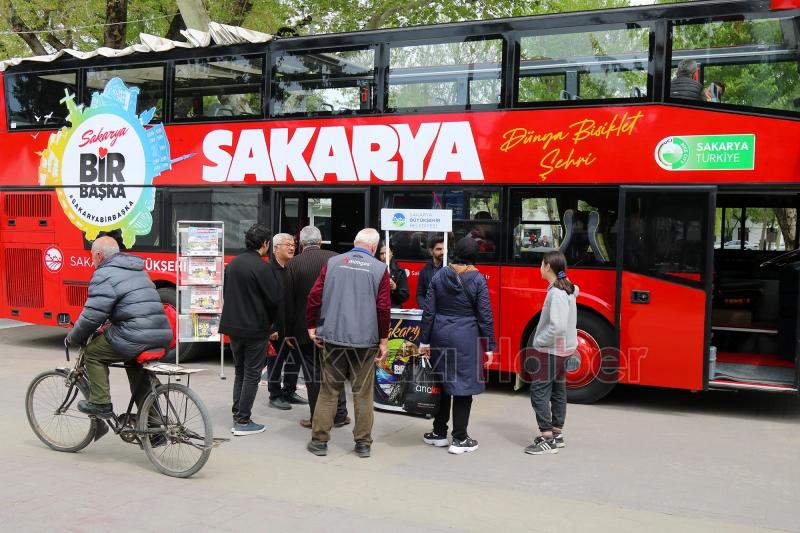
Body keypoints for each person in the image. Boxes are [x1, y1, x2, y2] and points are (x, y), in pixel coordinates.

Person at [65, 236, 172, 424]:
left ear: (99, 255)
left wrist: (73, 338)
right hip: (161, 334)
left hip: (134, 335)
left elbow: (92, 315)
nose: (92, 261)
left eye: (92, 256)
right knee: (135, 367)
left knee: (93, 353)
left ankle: (100, 404)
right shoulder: (138, 270)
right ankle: (154, 424)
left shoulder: (103, 274)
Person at [306, 228, 391, 458]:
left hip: (333, 337)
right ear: (373, 248)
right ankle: (363, 444)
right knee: (363, 393)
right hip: (365, 341)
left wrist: (311, 326)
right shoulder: (379, 268)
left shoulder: (333, 262)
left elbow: (314, 296)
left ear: (355, 242)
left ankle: (319, 441)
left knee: (329, 390)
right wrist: (384, 340)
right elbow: (383, 307)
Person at [419, 237, 495, 455]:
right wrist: (489, 346)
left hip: (440, 334)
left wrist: (424, 341)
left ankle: (439, 433)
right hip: (466, 336)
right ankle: (460, 438)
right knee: (463, 386)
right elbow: (485, 316)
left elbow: (429, 311)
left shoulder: (440, 274)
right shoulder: (478, 278)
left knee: (442, 382)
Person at [285, 226, 350, 429]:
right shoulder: (338, 259)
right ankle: (340, 415)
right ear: (321, 241)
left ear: (301, 244)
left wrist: (288, 332)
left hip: (305, 329)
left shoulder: (293, 264)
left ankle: (316, 417)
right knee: (336, 370)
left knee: (313, 375)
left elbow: (287, 301)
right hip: (335, 327)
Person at [219, 223, 279, 437]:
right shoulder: (263, 267)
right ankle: (243, 421)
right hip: (255, 328)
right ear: (265, 244)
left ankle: (238, 413)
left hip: (233, 327)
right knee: (252, 373)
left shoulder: (233, 264)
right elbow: (274, 300)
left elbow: (227, 293)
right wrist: (273, 325)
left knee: (241, 371)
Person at [525, 250, 579, 455]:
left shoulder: (556, 293)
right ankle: (557, 433)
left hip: (552, 350)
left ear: (547, 266)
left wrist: (539, 340)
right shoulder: (567, 288)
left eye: (541, 264)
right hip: (564, 349)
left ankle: (547, 438)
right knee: (558, 390)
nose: (539, 268)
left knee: (538, 391)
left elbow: (556, 327)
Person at [264, 233, 306, 411]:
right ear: (275, 248)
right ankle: (275, 394)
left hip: (293, 325)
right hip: (276, 326)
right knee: (276, 360)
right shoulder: (268, 271)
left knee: (294, 360)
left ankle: (289, 390)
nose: (291, 248)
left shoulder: (293, 268)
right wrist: (270, 327)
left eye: (293, 245)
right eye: (287, 245)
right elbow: (264, 302)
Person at [376, 241, 409, 307]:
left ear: (392, 252)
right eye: (381, 253)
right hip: (377, 309)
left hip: (393, 310)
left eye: (387, 253)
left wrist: (395, 288)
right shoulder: (373, 270)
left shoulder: (400, 272)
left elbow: (404, 297)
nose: (384, 256)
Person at [416, 235, 445, 308]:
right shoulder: (425, 270)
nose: (442, 252)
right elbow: (420, 294)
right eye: (439, 249)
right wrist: (425, 307)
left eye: (444, 249)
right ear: (431, 251)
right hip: (429, 311)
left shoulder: (452, 267)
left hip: (446, 312)